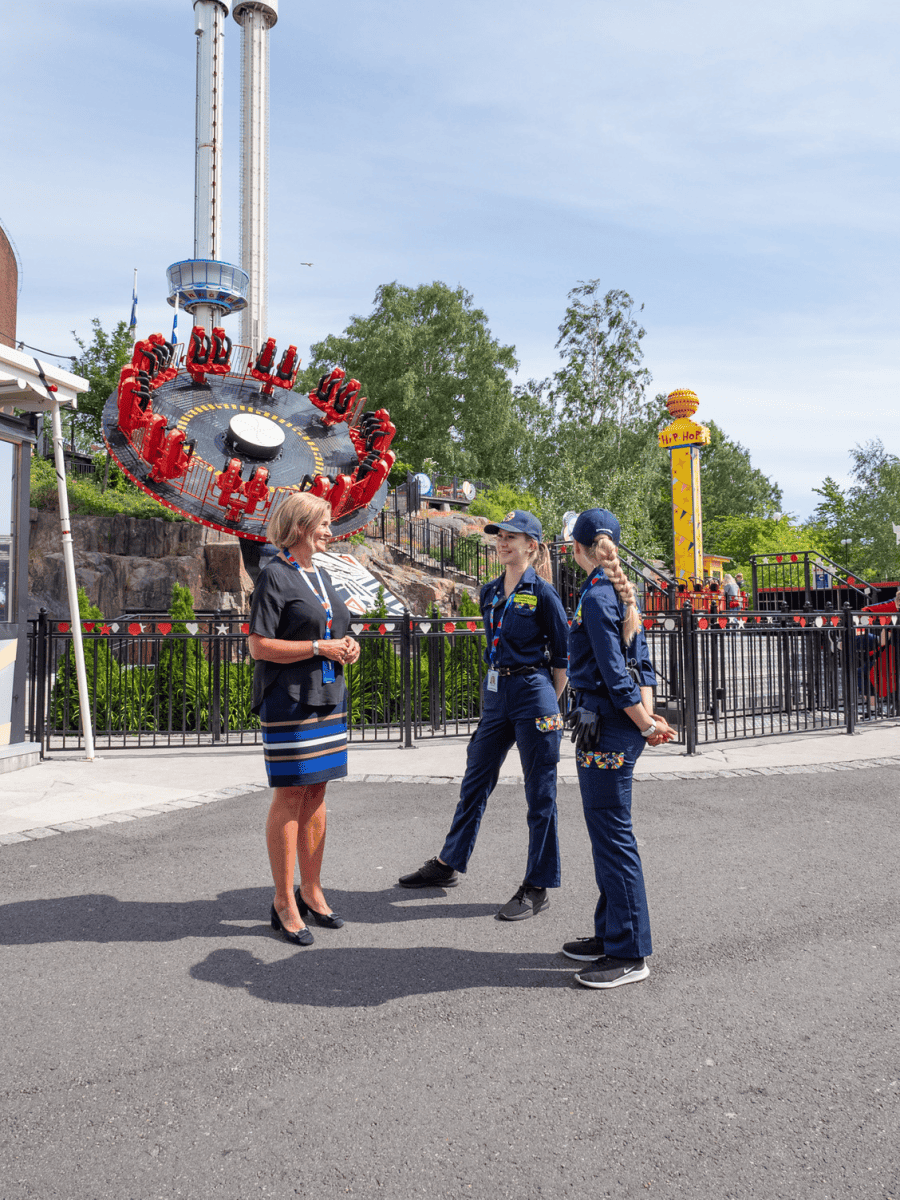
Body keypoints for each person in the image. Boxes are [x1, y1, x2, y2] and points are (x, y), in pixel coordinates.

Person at [398, 510, 570, 920]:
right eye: (499, 536)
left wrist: (549, 704)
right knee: (475, 781)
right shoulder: (489, 592)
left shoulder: (544, 594)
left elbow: (563, 659)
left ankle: (537, 884)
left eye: (513, 537)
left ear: (532, 545)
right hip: (497, 694)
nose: (503, 542)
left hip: (534, 693)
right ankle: (448, 863)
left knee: (539, 793)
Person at [562, 508, 676, 989]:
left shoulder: (594, 595)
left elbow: (613, 673)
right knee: (609, 831)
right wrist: (648, 722)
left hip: (606, 726)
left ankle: (629, 951)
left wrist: (646, 724)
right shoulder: (622, 593)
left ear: (576, 550)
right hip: (619, 726)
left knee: (611, 835)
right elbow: (642, 668)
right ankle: (612, 934)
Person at [247, 492, 361, 947]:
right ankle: (283, 900)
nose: (331, 532)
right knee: (291, 795)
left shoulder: (322, 573)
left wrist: (349, 643)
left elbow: (335, 628)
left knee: (317, 792)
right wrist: (319, 648)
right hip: (289, 701)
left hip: (328, 697)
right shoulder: (273, 574)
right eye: (324, 524)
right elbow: (259, 646)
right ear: (299, 527)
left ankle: (312, 892)